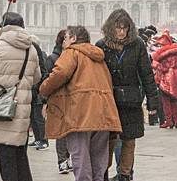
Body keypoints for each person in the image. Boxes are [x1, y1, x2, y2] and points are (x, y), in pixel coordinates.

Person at [40, 25, 122, 181]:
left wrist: (43, 89)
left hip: (80, 112)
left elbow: (60, 73)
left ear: (74, 39)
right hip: (103, 112)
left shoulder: (72, 52)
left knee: (80, 156)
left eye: (66, 38)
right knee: (99, 159)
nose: (63, 42)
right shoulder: (98, 57)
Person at [0, 12, 41, 181]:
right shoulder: (31, 48)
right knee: (21, 157)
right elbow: (37, 78)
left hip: (3, 108)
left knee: (6, 161)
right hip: (22, 110)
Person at [96, 9, 158, 181]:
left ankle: (125, 174)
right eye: (118, 28)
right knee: (107, 140)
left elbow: (146, 73)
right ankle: (102, 173)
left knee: (129, 140)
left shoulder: (137, 44)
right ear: (111, 28)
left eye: (125, 28)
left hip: (131, 99)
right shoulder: (101, 45)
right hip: (109, 100)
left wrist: (153, 101)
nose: (122, 32)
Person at [45, 29, 73, 174]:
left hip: (72, 98)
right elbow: (47, 78)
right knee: (61, 131)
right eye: (68, 39)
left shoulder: (74, 56)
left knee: (70, 130)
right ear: (62, 41)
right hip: (57, 98)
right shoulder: (53, 58)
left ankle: (68, 159)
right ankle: (62, 160)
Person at [151, 31, 177, 129]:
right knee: (174, 100)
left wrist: (156, 65)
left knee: (165, 100)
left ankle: (169, 121)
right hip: (176, 77)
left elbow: (164, 68)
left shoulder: (163, 55)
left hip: (167, 77)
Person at [28, 40, 49, 151]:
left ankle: (44, 140)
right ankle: (37, 139)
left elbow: (42, 75)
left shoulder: (41, 59)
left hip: (38, 92)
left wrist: (37, 87)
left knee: (38, 117)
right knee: (33, 117)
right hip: (32, 91)